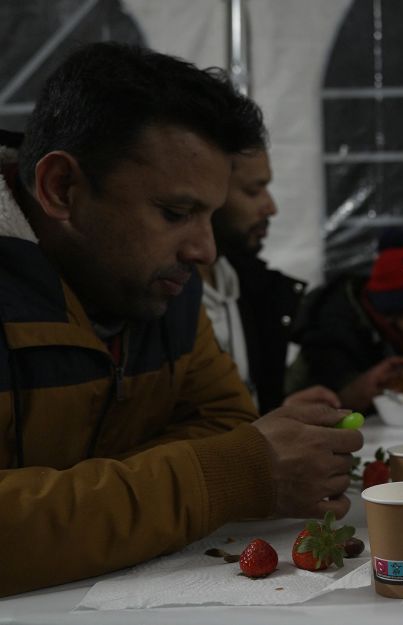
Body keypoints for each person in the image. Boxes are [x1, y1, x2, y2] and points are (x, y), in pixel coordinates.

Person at [0, 43, 361, 598]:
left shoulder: (158, 289)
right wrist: (227, 477)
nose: (205, 250)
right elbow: (229, 454)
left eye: (211, 216)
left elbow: (223, 422)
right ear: (61, 189)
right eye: (175, 213)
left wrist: (68, 504)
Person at [199, 147, 339, 413]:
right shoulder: (163, 300)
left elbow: (237, 416)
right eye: (253, 191)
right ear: (208, 193)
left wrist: (279, 412)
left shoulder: (245, 286)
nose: (271, 207)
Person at [288, 246, 403, 412]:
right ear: (391, 314)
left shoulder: (395, 335)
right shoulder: (330, 338)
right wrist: (355, 391)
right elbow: (326, 403)